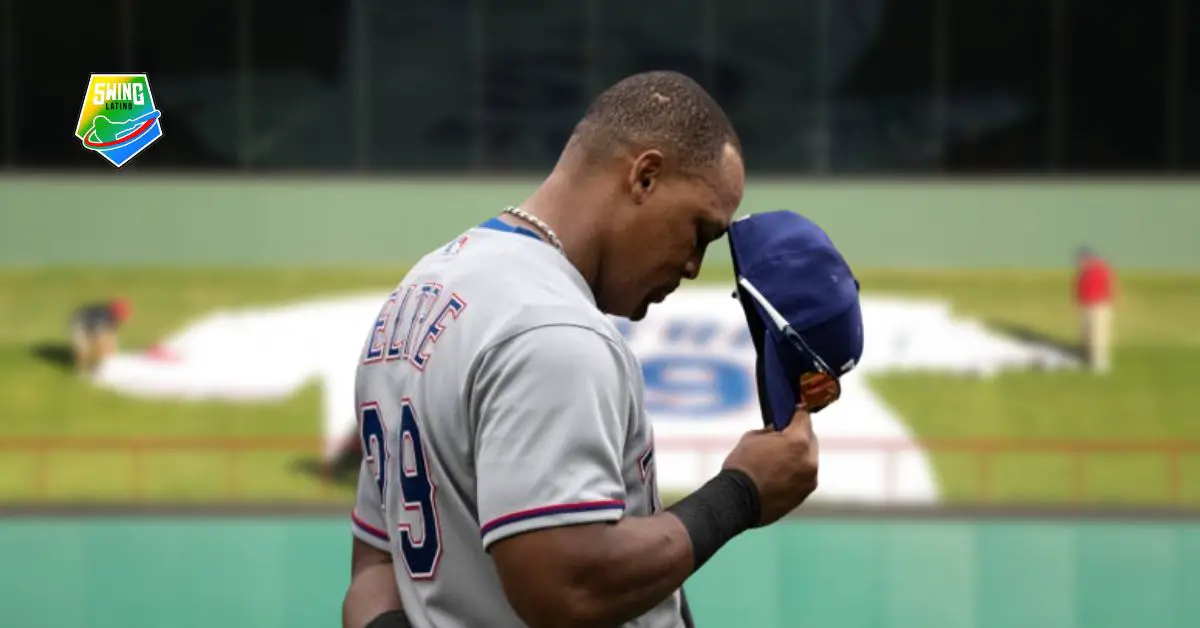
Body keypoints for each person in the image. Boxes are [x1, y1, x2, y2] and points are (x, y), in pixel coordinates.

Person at [343, 71, 842, 628]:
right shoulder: (554, 330)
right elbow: (565, 586)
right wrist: (742, 494)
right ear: (645, 177)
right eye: (699, 230)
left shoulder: (421, 292)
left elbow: (375, 570)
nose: (695, 266)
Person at [1074, 247, 1115, 373]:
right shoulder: (1084, 271)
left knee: (1098, 335)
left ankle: (1100, 365)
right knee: (1087, 335)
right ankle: (1087, 360)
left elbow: (1106, 287)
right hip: (1088, 306)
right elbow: (1079, 287)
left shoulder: (1099, 269)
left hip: (1099, 306)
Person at [69, 298, 132, 374]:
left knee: (104, 346)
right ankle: (81, 370)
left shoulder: (113, 319)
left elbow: (110, 334)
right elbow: (100, 338)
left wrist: (111, 348)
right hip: (79, 324)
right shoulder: (102, 318)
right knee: (84, 349)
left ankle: (96, 366)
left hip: (93, 325)